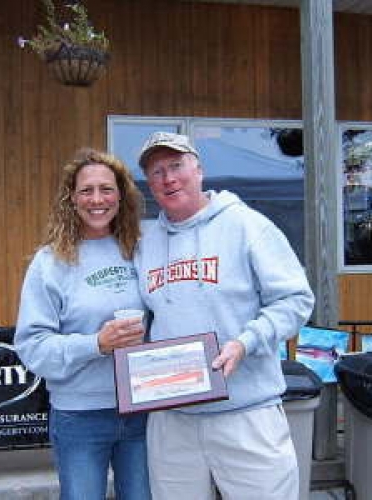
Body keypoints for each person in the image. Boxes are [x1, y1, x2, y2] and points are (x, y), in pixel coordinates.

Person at [135, 132, 315, 500]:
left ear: (199, 170)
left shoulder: (248, 226)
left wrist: (246, 343)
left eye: (176, 166)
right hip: (173, 420)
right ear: (149, 184)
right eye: (157, 172)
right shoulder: (146, 244)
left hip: (246, 412)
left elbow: (295, 299)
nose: (168, 178)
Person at [15, 148, 151, 500]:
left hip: (144, 409)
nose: (97, 199)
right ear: (71, 199)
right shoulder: (50, 263)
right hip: (80, 415)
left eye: (106, 189)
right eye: (86, 190)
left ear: (121, 196)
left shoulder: (143, 250)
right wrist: (96, 344)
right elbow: (32, 347)